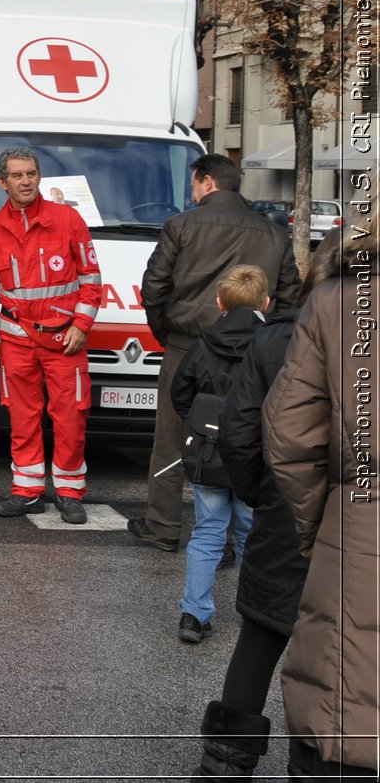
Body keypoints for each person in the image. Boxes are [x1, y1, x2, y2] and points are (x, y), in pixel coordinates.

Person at [188, 236, 344, 777]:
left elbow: (240, 428)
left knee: (262, 635)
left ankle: (225, 763)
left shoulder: (276, 338)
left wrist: (262, 493)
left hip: (286, 505)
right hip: (356, 512)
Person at [134, 154, 300, 552]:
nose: (191, 193)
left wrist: (166, 332)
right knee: (241, 435)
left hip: (188, 344)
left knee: (172, 438)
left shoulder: (180, 226)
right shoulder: (274, 233)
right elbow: (291, 296)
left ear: (207, 182)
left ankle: (163, 525)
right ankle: (231, 538)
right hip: (254, 352)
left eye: (193, 185)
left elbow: (154, 286)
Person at [262, 225, 377, 779]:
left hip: (359, 521)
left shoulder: (340, 300)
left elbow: (289, 434)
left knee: (343, 705)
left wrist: (323, 527)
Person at [0, 147, 103, 524]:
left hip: (65, 340)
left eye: (30, 173)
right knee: (23, 416)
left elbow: (92, 280)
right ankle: (27, 491)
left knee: (70, 417)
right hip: (17, 341)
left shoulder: (68, 220)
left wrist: (81, 325)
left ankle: (69, 492)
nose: (25, 181)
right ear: (2, 182)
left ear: (39, 176)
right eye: (17, 175)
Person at [168, 265, 269, 645]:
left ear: (219, 302)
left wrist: (203, 427)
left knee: (208, 531)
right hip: (255, 455)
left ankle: (193, 614)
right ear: (266, 302)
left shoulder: (203, 344)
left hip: (209, 453)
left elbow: (181, 395)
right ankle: (255, 615)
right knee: (251, 534)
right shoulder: (272, 344)